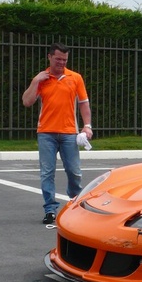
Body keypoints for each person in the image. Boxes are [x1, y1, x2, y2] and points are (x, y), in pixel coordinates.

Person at [22, 43, 93, 224]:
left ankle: (74, 202)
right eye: (58, 59)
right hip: (46, 132)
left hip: (69, 132)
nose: (61, 62)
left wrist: (87, 126)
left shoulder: (75, 78)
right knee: (47, 172)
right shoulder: (42, 79)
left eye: (64, 60)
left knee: (74, 171)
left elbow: (83, 103)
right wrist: (35, 80)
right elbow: (27, 101)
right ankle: (50, 209)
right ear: (50, 57)